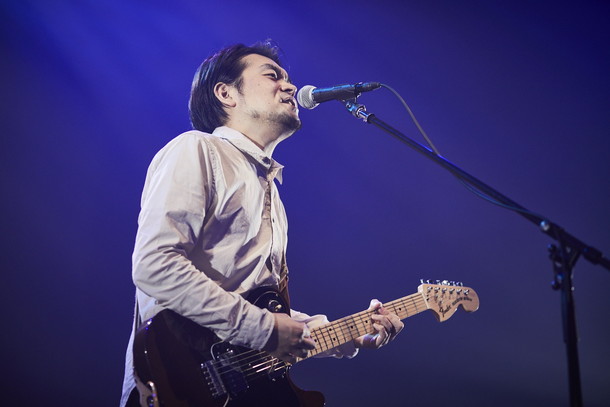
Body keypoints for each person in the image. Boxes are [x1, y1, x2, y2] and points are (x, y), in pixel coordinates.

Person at [120, 41, 404, 407]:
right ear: (226, 93)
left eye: (287, 78)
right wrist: (262, 328)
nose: (290, 86)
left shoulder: (272, 193)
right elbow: (155, 265)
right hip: (178, 383)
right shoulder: (196, 149)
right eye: (273, 76)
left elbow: (260, 305)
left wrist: (351, 335)